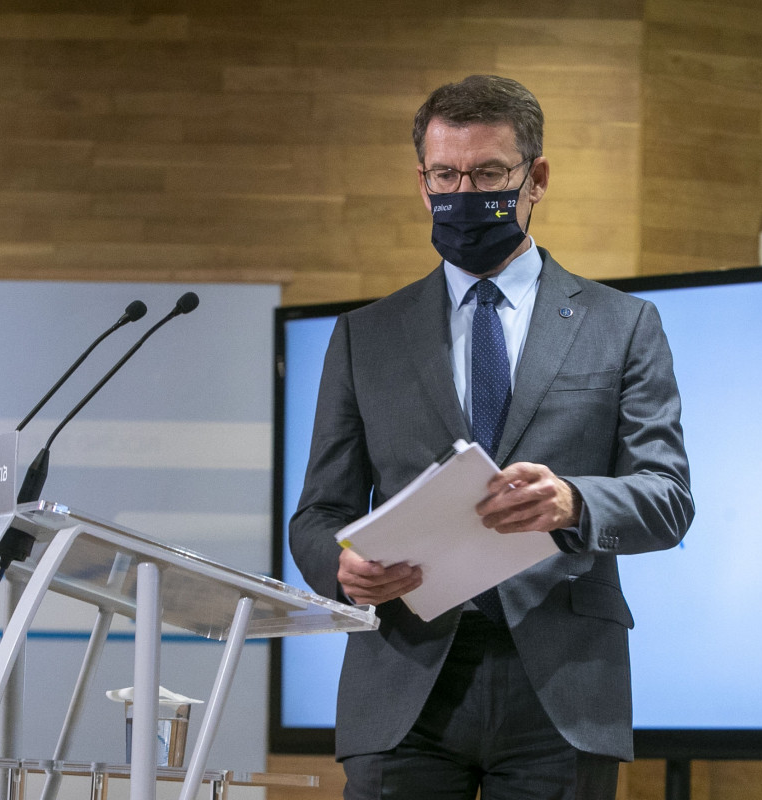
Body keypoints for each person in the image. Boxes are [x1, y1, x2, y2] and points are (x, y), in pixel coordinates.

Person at [289, 75, 694, 800]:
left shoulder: (623, 325)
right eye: (446, 174)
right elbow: (318, 515)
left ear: (535, 179)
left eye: (487, 174)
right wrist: (341, 569)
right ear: (422, 182)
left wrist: (571, 500)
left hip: (562, 685)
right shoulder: (365, 337)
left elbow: (666, 499)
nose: (463, 192)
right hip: (403, 679)